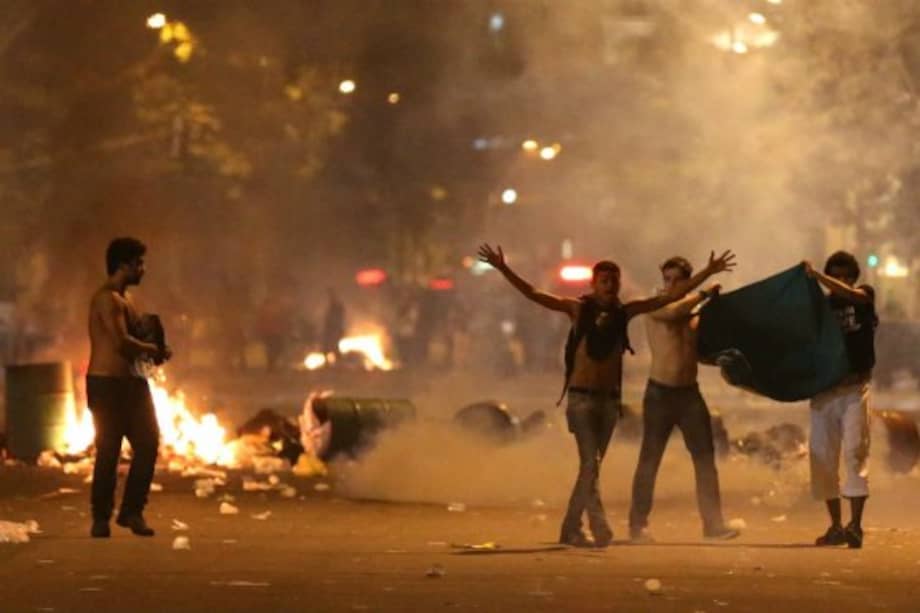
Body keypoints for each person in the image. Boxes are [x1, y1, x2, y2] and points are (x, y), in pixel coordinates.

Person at [477, 244, 736, 547]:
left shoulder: (626, 313)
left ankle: (594, 526)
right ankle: (574, 527)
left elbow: (675, 304)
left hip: (609, 401)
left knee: (593, 465)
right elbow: (534, 293)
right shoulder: (579, 309)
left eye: (614, 281)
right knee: (592, 464)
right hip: (582, 399)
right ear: (593, 284)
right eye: (604, 281)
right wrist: (504, 268)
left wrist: (708, 275)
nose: (610, 286)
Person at [628, 256, 740, 542]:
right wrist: (705, 288)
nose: (671, 285)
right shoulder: (655, 304)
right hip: (659, 393)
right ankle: (638, 525)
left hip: (689, 393)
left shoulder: (693, 313)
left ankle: (713, 525)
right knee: (650, 459)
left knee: (704, 460)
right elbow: (673, 311)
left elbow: (699, 350)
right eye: (667, 279)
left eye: (677, 280)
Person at [86, 238, 171, 538]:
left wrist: (157, 348)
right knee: (108, 450)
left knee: (148, 443)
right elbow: (121, 342)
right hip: (106, 385)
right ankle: (100, 517)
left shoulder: (127, 301)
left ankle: (132, 511)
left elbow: (138, 339)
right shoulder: (106, 300)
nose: (143, 269)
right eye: (139, 263)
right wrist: (152, 349)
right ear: (123, 264)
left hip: (133, 384)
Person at [804, 252, 877, 549]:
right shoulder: (819, 308)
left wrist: (818, 278)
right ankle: (835, 526)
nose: (842, 281)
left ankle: (855, 526)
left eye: (846, 275)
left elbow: (854, 296)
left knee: (855, 454)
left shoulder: (864, 296)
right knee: (822, 458)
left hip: (853, 391)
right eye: (836, 274)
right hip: (823, 393)